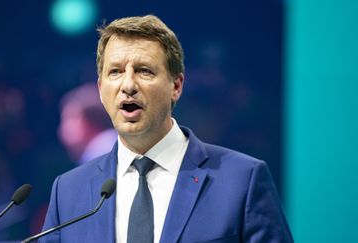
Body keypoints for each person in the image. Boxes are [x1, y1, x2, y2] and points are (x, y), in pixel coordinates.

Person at [41, 15, 293, 242]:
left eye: (144, 71)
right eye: (115, 72)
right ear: (100, 88)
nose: (128, 84)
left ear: (176, 86)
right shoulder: (67, 191)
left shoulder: (242, 180)